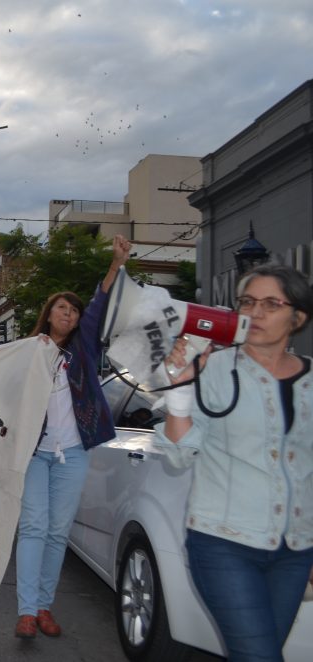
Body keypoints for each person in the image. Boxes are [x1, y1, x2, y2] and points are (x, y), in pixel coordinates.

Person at [157, 263, 313, 660]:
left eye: (270, 304)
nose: (255, 313)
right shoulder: (212, 368)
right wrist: (180, 388)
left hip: (295, 551)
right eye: (247, 302)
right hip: (223, 544)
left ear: (298, 316)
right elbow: (179, 453)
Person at [13, 234, 130, 639]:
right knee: (33, 527)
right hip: (34, 453)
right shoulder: (29, 350)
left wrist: (115, 264)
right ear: (48, 314)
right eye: (61, 308)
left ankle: (44, 605)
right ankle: (26, 612)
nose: (69, 314)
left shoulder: (82, 350)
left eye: (74, 311)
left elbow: (99, 305)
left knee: (58, 531)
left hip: (74, 454)